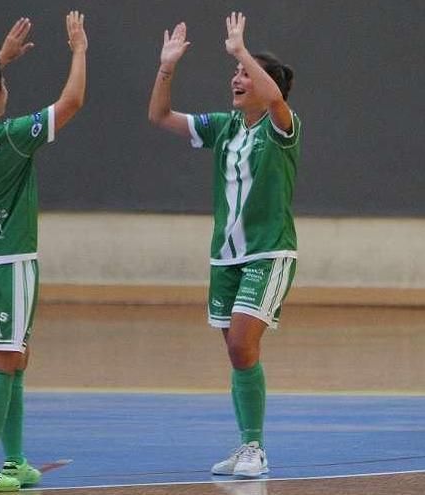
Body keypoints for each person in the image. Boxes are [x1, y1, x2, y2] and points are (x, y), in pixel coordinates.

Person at [148, 12, 300, 478]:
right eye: (234, 72)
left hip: (269, 252)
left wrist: (241, 50)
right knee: (237, 353)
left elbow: (274, 97)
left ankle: (256, 448)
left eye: (243, 74)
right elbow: (160, 115)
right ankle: (246, 444)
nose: (236, 78)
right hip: (225, 257)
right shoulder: (223, 127)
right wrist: (167, 66)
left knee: (241, 345)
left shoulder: (282, 126)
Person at [0, 12, 87, 492]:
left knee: (15, 356)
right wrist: (80, 50)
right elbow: (72, 101)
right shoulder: (10, 137)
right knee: (3, 364)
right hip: (9, 263)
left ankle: (15, 462)